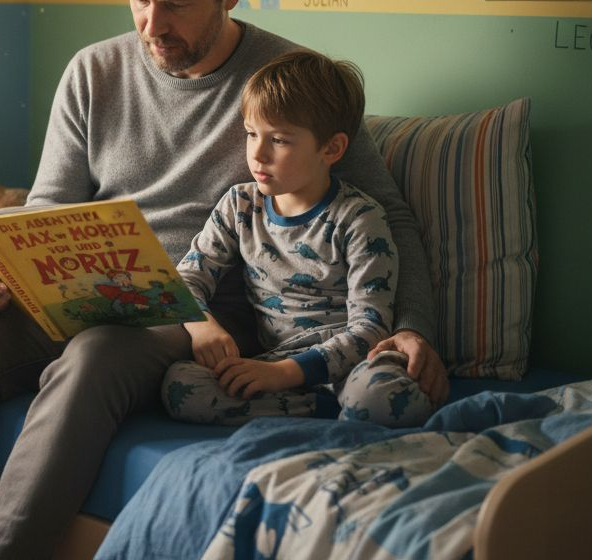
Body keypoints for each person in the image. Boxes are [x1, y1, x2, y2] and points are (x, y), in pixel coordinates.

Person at [0, 0, 448, 560]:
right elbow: (49, 205)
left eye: (176, 4)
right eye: (138, 0)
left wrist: (413, 326)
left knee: (96, 356)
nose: (152, 25)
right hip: (87, 290)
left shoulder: (287, 85)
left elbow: (388, 216)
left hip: (200, 312)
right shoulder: (93, 71)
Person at [162, 51, 433, 427]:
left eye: (279, 140)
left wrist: (285, 375)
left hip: (352, 364)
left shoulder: (359, 218)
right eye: (252, 134)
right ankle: (322, 411)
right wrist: (202, 325)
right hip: (276, 361)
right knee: (180, 386)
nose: (258, 154)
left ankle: (340, 408)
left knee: (381, 397)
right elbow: (184, 279)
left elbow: (370, 329)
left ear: (331, 149)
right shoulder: (240, 206)